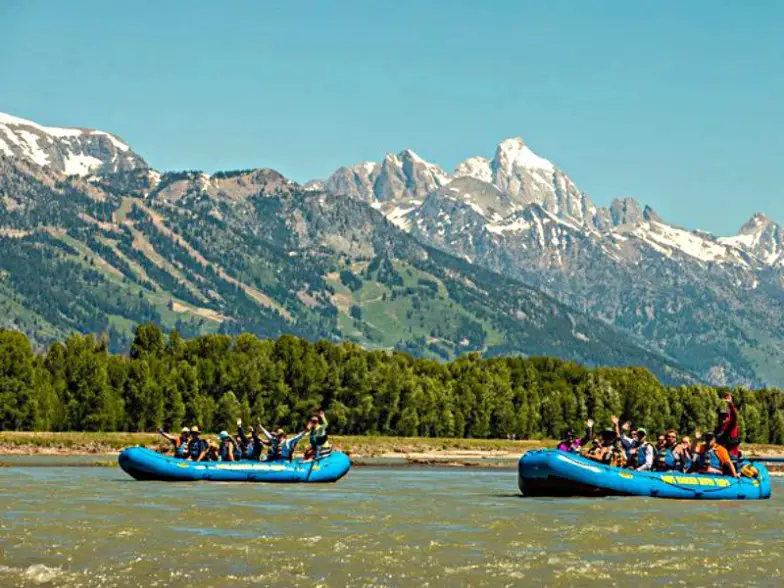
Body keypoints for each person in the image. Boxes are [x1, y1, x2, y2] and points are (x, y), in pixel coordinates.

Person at [715, 393, 740, 457]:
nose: (723, 418)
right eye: (721, 416)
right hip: (720, 456)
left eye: (725, 416)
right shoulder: (717, 429)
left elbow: (734, 415)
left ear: (728, 417)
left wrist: (730, 403)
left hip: (732, 456)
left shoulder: (732, 425)